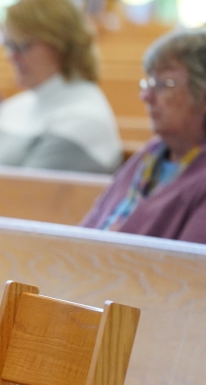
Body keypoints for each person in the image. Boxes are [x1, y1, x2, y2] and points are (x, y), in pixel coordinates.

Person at [81, 29, 206, 243]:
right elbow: (86, 230)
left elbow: (187, 261)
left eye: (164, 84)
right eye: (149, 83)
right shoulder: (152, 153)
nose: (146, 96)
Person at [0, 0, 122, 174]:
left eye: (22, 46)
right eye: (9, 45)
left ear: (61, 44)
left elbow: (25, 189)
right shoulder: (13, 107)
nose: (11, 56)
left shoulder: (83, 118)